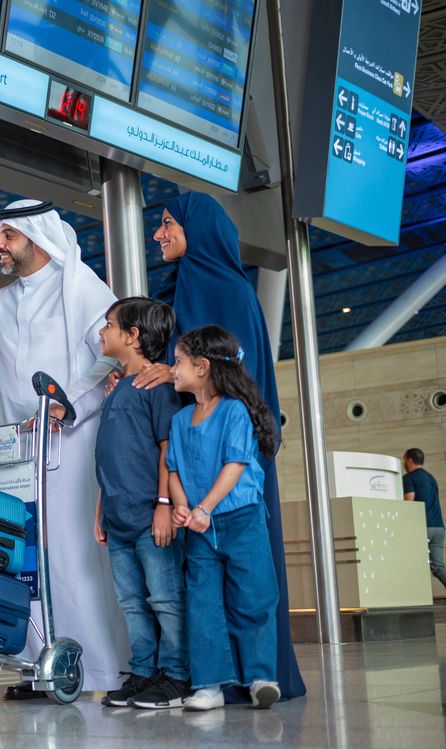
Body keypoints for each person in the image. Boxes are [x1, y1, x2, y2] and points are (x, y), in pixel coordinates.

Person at [133, 192, 306, 701]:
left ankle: (257, 674)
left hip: (232, 473)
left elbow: (238, 376)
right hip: (196, 470)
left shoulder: (229, 290)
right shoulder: (189, 284)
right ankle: (215, 679)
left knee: (249, 582)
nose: (158, 234)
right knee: (204, 587)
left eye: (167, 224)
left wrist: (171, 371)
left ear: (197, 230)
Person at [0, 198, 128, 697]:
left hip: (74, 447)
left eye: (7, 236)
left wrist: (67, 404)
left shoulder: (83, 288)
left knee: (72, 557)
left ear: (36, 238)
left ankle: (95, 668)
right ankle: (37, 668)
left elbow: (108, 362)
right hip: (16, 452)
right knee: (25, 560)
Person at [166, 326, 281, 712]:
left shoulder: (234, 410)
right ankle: (209, 686)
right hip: (199, 527)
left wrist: (204, 509)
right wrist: (182, 506)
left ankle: (261, 678)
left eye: (178, 361)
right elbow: (174, 471)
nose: (173, 368)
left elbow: (235, 464)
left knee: (254, 596)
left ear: (202, 367)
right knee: (202, 603)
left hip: (240, 517)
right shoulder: (181, 420)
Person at [93, 297, 188, 708]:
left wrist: (164, 504)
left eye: (109, 324)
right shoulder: (115, 388)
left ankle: (176, 675)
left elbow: (169, 448)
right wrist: (101, 508)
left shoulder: (156, 387)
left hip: (152, 516)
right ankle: (143, 670)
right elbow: (110, 453)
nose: (102, 331)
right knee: (132, 603)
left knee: (165, 599)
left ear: (132, 336)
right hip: (118, 517)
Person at [402, 448, 446, 590]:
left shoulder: (409, 477)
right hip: (438, 528)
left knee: (414, 563)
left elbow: (409, 502)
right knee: (438, 566)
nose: (403, 462)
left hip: (423, 527)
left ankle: (414, 596)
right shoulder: (431, 477)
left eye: (404, 459)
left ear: (409, 459)